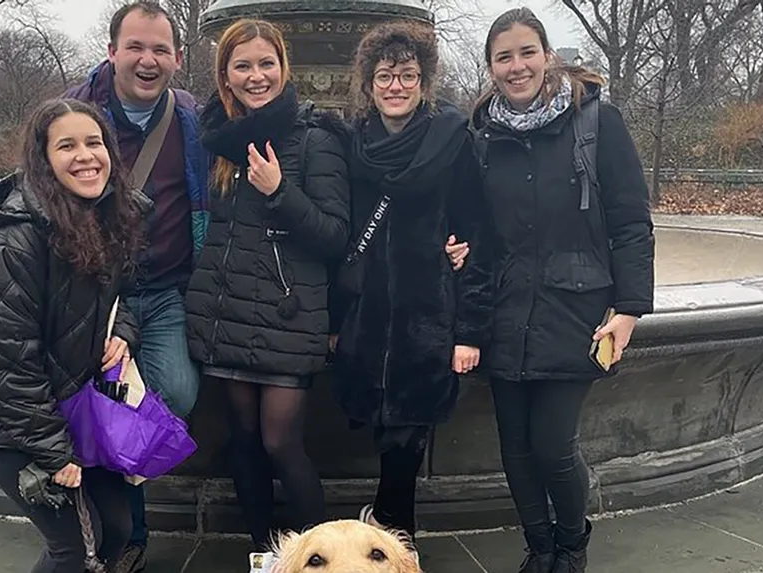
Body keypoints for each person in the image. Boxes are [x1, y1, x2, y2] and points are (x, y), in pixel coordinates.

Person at [452, 8, 654, 573]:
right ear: (490, 66)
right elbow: (480, 230)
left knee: (553, 445)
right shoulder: (483, 135)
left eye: (526, 52)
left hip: (576, 310)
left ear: (547, 55)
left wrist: (631, 309)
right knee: (513, 447)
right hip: (505, 308)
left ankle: (571, 547)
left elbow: (631, 221)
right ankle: (538, 550)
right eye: (503, 57)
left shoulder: (597, 123)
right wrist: (460, 249)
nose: (516, 67)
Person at [0, 98, 149, 573]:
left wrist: (123, 331)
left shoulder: (111, 221)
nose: (86, 156)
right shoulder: (14, 245)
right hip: (8, 421)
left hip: (74, 409)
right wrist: (53, 450)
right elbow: (5, 363)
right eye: (67, 146)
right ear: (44, 161)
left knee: (117, 530)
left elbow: (131, 297)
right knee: (74, 548)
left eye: (94, 142)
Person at [184, 18, 350, 571]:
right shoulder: (214, 137)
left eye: (265, 63)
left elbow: (334, 235)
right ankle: (263, 555)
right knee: (246, 442)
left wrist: (281, 192)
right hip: (227, 310)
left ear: (284, 66)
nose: (256, 76)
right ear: (225, 74)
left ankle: (323, 558)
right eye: (242, 65)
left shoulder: (316, 137)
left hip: (286, 313)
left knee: (283, 443)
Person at [326, 20, 494, 547]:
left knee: (407, 432)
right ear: (368, 83)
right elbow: (336, 234)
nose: (395, 86)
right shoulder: (353, 144)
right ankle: (388, 526)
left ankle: (398, 537)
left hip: (428, 315)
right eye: (384, 76)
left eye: (407, 75)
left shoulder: (452, 141)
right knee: (385, 429)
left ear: (424, 82)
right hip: (367, 315)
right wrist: (334, 320)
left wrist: (468, 331)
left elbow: (476, 237)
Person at [63, 3, 210, 569]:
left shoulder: (192, 118)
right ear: (112, 52)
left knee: (177, 394)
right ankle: (128, 536)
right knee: (95, 405)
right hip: (98, 292)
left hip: (168, 288)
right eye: (135, 48)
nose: (147, 61)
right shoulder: (77, 114)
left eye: (159, 50)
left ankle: (122, 512)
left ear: (176, 57)